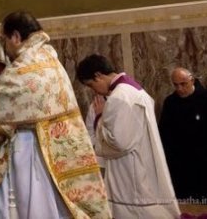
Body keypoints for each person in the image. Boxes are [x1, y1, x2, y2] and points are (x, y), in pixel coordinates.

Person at [0, 11, 110, 218]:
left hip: (28, 150)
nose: (5, 48)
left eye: (5, 40)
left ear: (16, 37)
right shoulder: (50, 58)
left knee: (27, 205)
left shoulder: (25, 67)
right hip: (53, 148)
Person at [76, 54, 180, 218]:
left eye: (91, 85)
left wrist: (99, 118)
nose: (93, 90)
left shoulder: (118, 97)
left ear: (98, 75)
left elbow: (119, 143)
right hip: (143, 159)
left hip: (129, 171)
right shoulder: (134, 89)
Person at [159, 67, 207, 204]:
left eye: (183, 84)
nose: (179, 88)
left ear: (192, 80)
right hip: (180, 164)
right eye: (175, 85)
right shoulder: (170, 102)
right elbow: (164, 133)